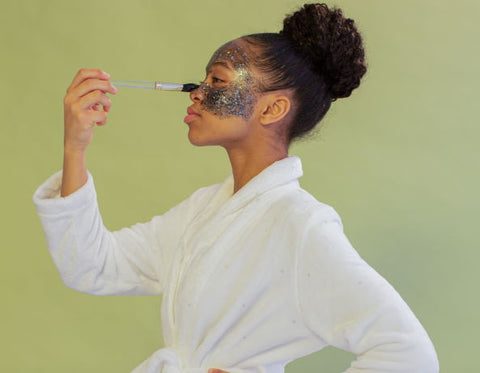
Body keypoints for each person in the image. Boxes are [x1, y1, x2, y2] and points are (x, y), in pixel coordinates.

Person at [33, 3, 439, 373]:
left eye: (217, 80)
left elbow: (408, 354)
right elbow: (92, 267)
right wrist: (75, 146)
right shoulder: (204, 210)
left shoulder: (300, 226)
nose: (196, 92)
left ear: (273, 108)